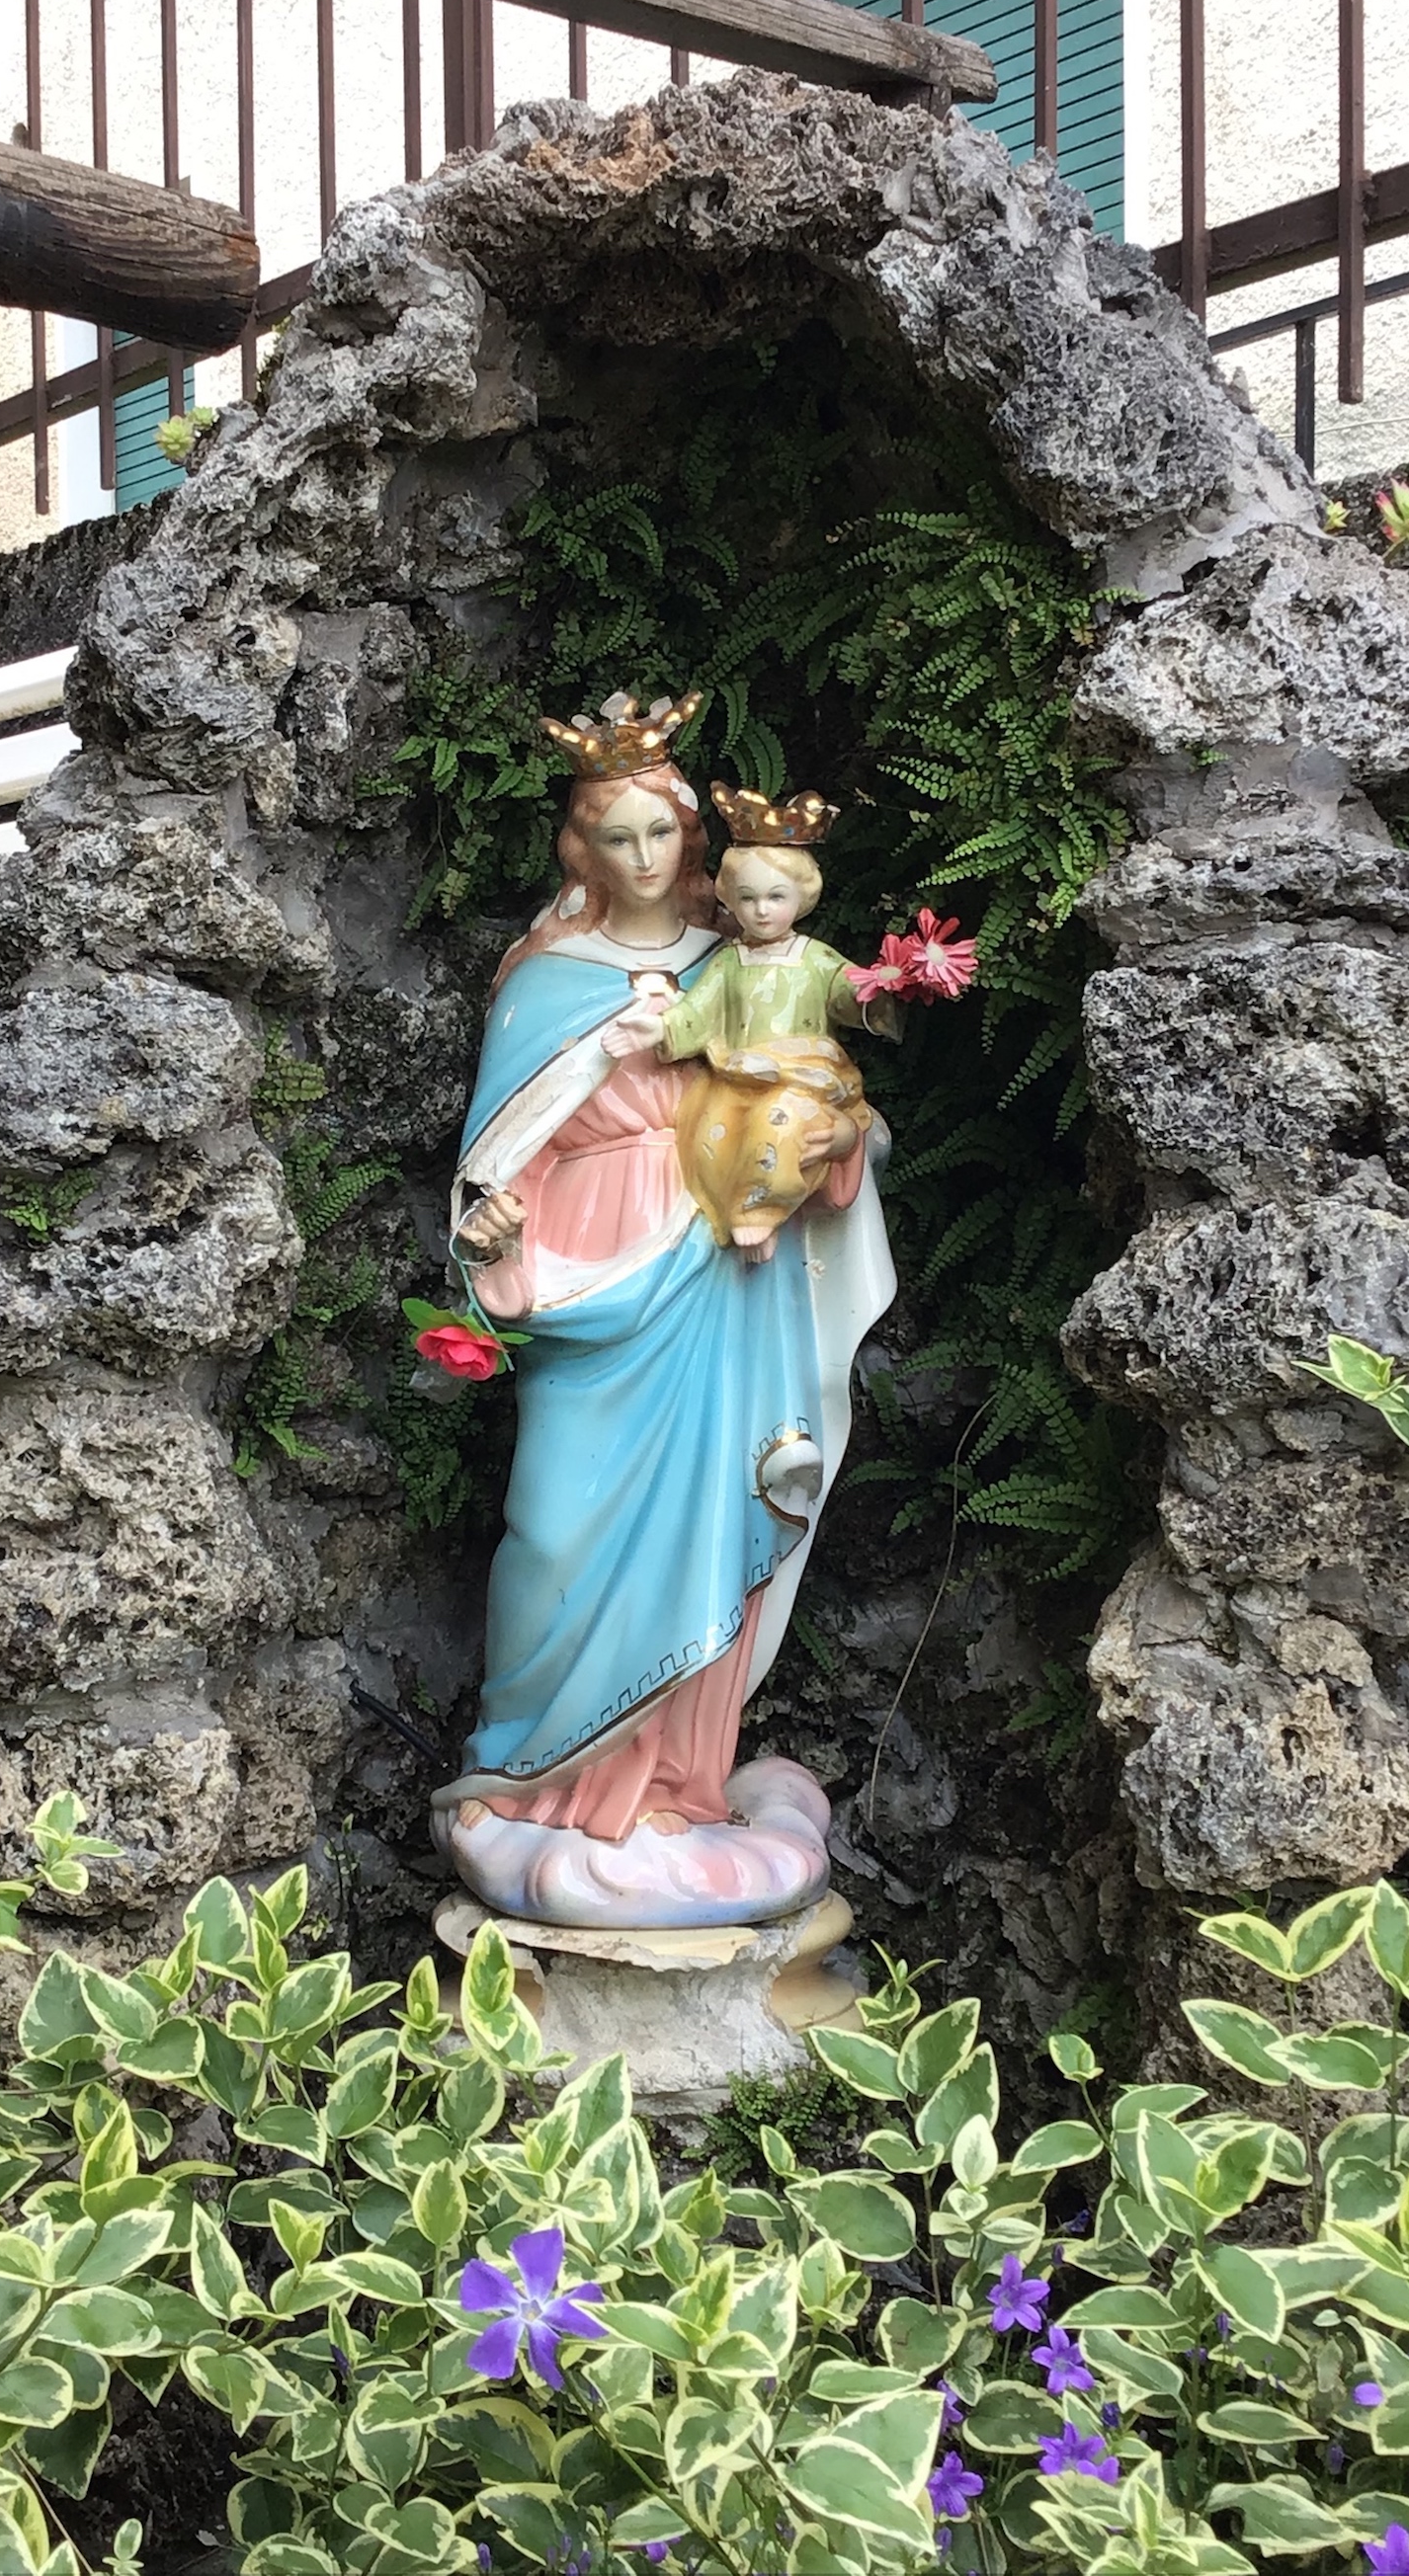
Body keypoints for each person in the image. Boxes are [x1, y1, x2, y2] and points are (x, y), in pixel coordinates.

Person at [431, 691, 897, 1931]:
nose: (641, 856)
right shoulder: (542, 979)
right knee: (555, 1527)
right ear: (579, 847)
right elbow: (495, 1153)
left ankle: (676, 1790)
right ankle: (536, 1777)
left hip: (728, 1277)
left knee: (717, 1506)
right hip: (587, 1276)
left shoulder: (745, 963)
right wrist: (495, 1228)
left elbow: (822, 1101)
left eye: (660, 832)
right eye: (615, 835)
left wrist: (834, 1147)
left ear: (694, 840)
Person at [602, 783, 893, 1255]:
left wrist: (882, 987)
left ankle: (761, 1212)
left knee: (781, 1129)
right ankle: (734, 1211)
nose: (762, 910)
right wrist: (658, 1028)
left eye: (776, 897)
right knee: (712, 1138)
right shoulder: (729, 962)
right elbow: (697, 1011)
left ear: (802, 897)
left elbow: (849, 992)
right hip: (737, 1077)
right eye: (749, 898)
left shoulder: (815, 958)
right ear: (731, 901)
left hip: (803, 1079)